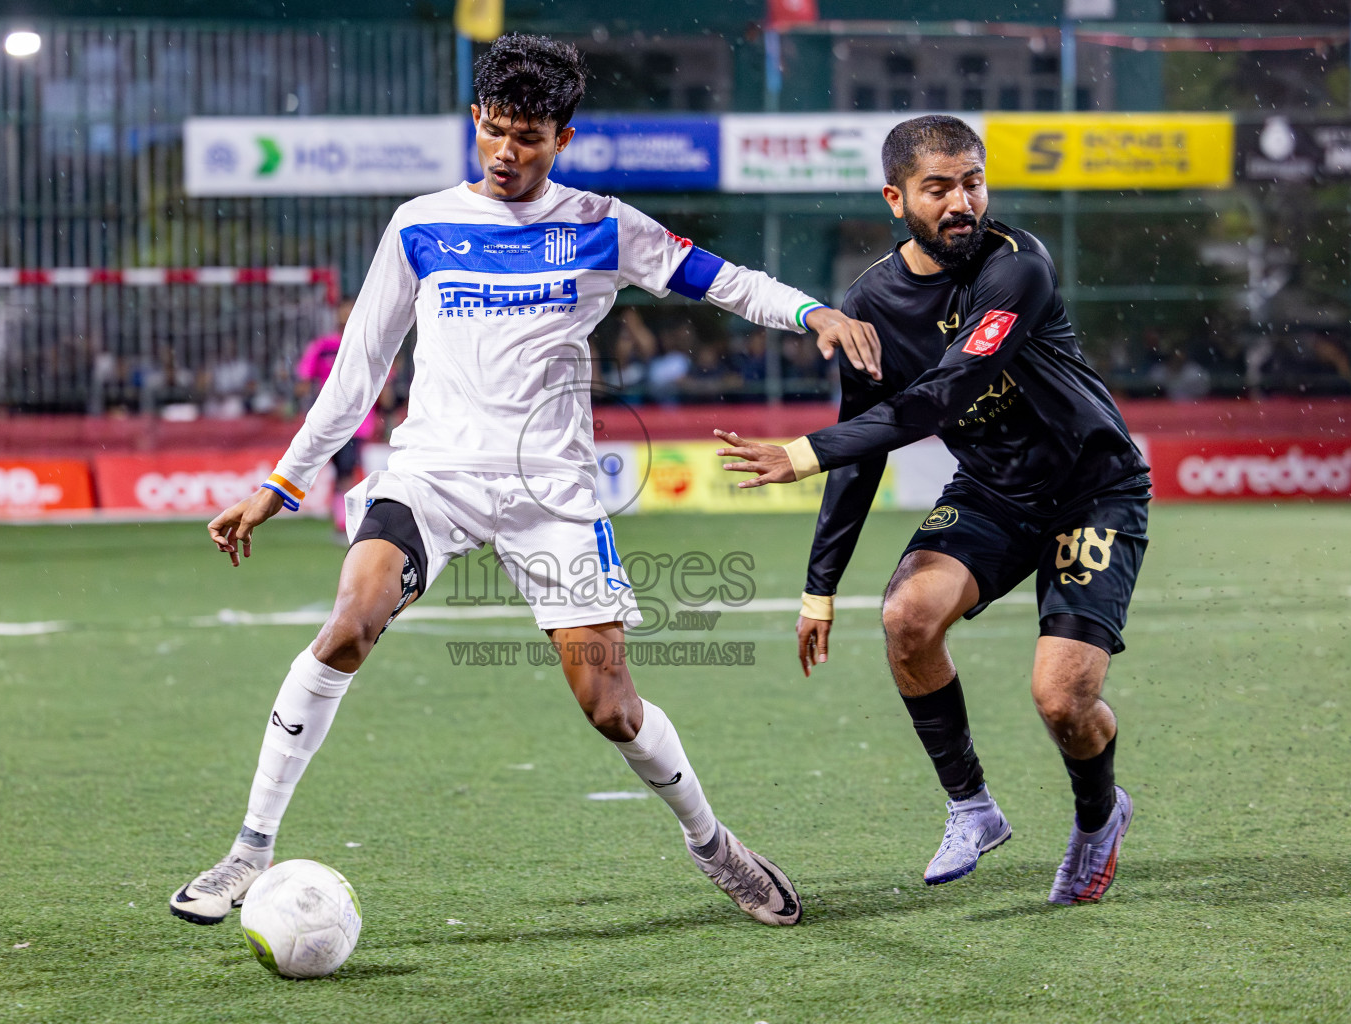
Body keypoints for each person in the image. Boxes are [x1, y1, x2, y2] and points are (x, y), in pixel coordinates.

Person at [170, 33, 882, 929]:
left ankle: (715, 846)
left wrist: (811, 311)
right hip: (432, 475)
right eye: (496, 131)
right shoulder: (419, 225)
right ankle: (248, 852)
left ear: (564, 139)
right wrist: (279, 484)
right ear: (475, 121)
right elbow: (358, 372)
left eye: (531, 137)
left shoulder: (603, 224)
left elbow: (723, 281)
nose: (509, 152)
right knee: (350, 623)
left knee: (612, 708)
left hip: (553, 493)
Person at [714, 115, 1150, 906]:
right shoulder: (870, 301)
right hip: (992, 492)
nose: (962, 202)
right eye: (938, 187)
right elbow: (868, 450)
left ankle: (1097, 818)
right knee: (907, 617)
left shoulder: (1017, 267)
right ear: (896, 198)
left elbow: (944, 395)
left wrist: (805, 451)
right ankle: (971, 807)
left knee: (1062, 698)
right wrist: (820, 588)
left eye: (973, 182)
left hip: (1093, 490)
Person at [296, 298, 397, 534]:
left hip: (359, 422)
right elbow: (304, 379)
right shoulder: (323, 347)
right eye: (343, 311)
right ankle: (343, 517)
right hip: (328, 421)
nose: (346, 316)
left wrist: (388, 417)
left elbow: (386, 382)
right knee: (340, 470)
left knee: (347, 469)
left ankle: (344, 522)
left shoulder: (369, 345)